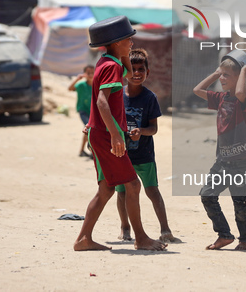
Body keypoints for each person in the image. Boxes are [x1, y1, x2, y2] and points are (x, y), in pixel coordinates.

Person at [73, 15, 166, 252]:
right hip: (106, 135)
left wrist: (120, 48)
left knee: (107, 188)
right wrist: (115, 135)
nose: (132, 42)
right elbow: (103, 102)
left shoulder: (108, 61)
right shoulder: (111, 66)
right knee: (133, 185)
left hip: (101, 132)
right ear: (115, 42)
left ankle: (84, 238)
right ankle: (141, 238)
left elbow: (124, 66)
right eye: (128, 39)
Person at [193, 53, 246, 250]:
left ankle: (245, 240)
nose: (222, 79)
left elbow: (239, 93)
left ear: (239, 79)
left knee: (240, 203)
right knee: (207, 195)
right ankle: (224, 234)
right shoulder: (220, 98)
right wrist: (216, 73)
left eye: (227, 75)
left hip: (241, 162)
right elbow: (197, 90)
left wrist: (245, 72)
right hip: (222, 161)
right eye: (222, 75)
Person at [115, 49, 176, 243]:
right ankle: (125, 227)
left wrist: (141, 131)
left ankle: (165, 229)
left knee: (152, 191)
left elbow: (153, 128)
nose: (137, 73)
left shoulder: (150, 98)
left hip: (144, 154)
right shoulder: (117, 96)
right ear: (125, 72)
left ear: (147, 73)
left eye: (141, 69)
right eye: (132, 69)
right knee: (122, 192)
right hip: (122, 153)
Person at [68, 65, 95, 158]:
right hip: (83, 110)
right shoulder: (81, 85)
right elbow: (70, 88)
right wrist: (77, 79)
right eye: (88, 73)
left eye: (92, 72)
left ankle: (82, 151)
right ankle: (92, 150)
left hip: (93, 112)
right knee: (89, 128)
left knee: (88, 129)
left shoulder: (97, 85)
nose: (91, 75)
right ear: (85, 74)